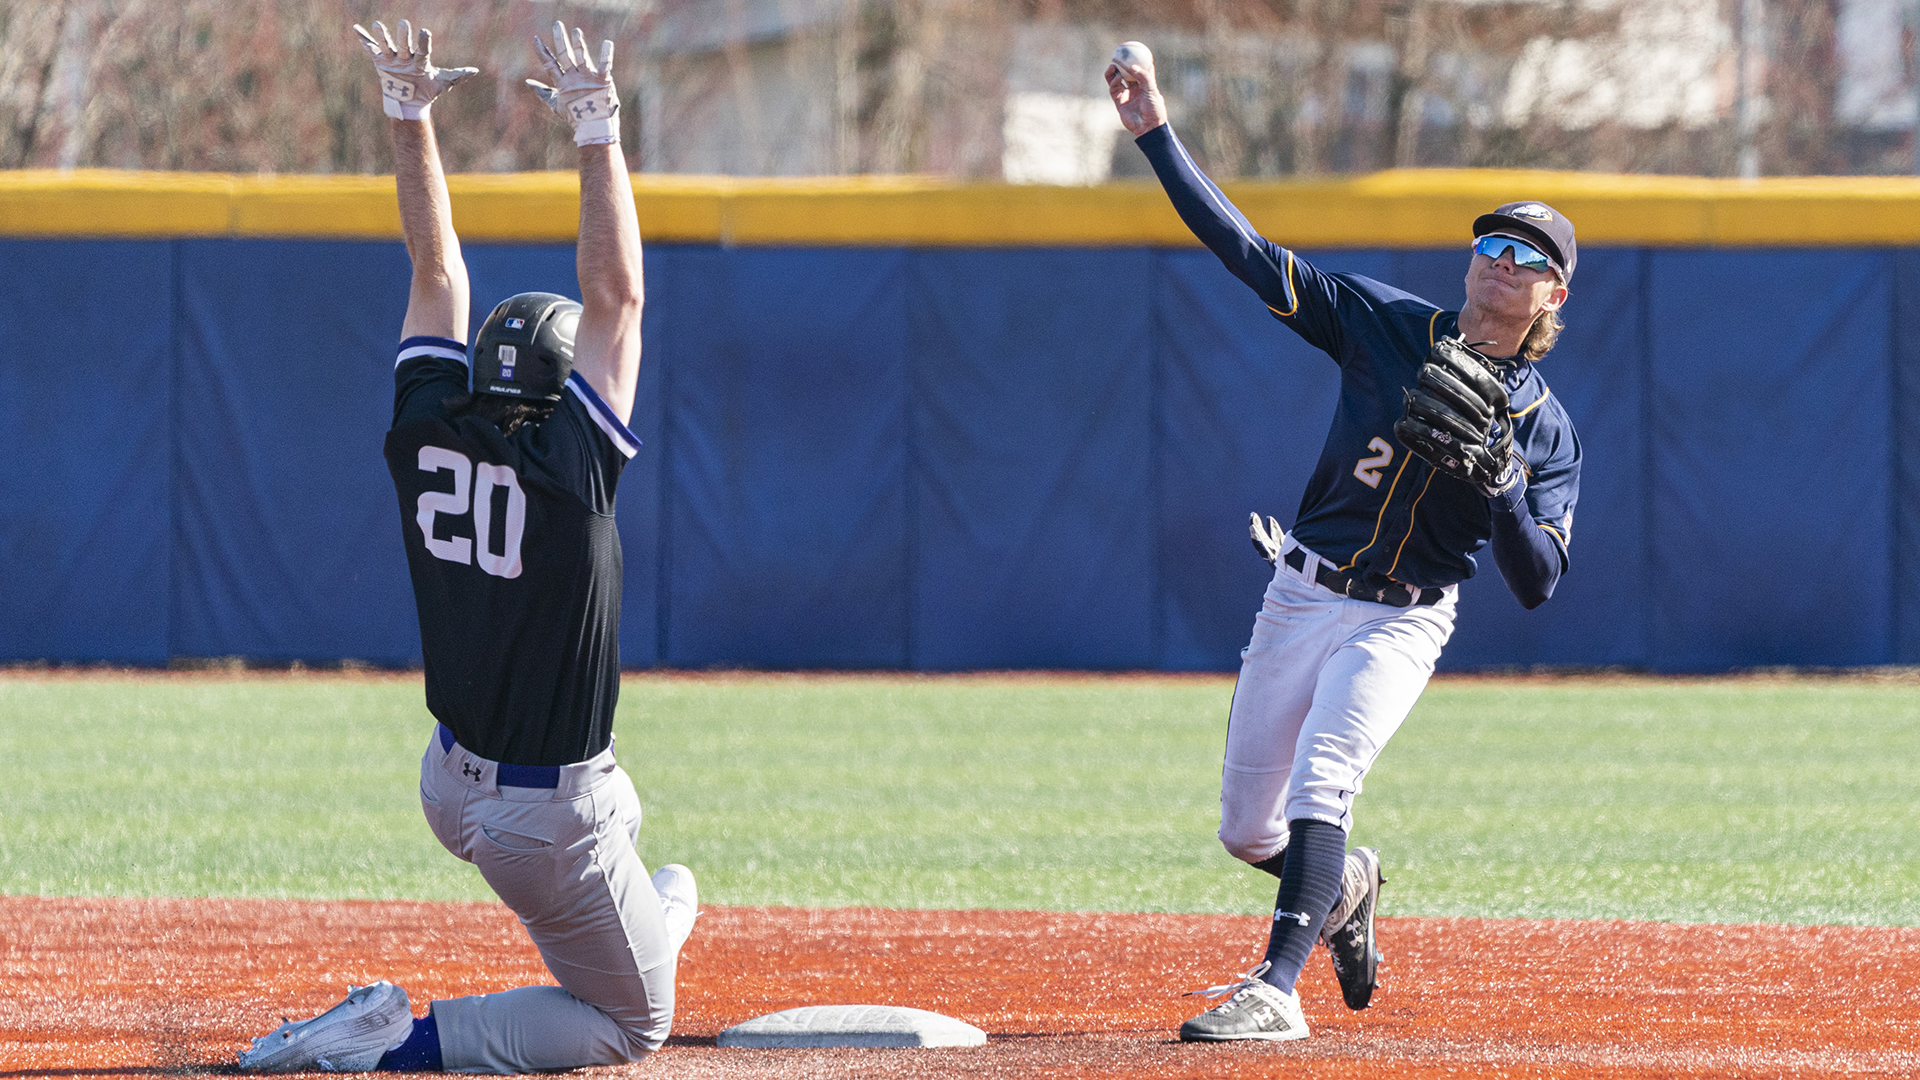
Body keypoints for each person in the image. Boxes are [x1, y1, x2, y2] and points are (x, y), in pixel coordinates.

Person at [237, 18, 696, 1073]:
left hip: (452, 781)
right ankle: (395, 1043)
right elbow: (618, 293)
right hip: (541, 818)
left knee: (622, 807)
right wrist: (598, 126)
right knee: (631, 1024)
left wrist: (406, 117)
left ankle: (631, 919)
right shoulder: (570, 469)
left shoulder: (428, 425)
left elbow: (436, 263)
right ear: (560, 389)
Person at [1104, 45, 1581, 1042]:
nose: (1502, 262)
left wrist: (1502, 489)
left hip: (1401, 620)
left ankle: (1275, 989)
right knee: (1247, 831)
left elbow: (1537, 583)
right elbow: (1247, 253)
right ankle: (1348, 886)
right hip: (1301, 593)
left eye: (1528, 259)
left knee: (1329, 778)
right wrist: (1155, 133)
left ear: (1552, 298)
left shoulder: (1544, 427)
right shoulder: (1384, 324)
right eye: (1492, 245)